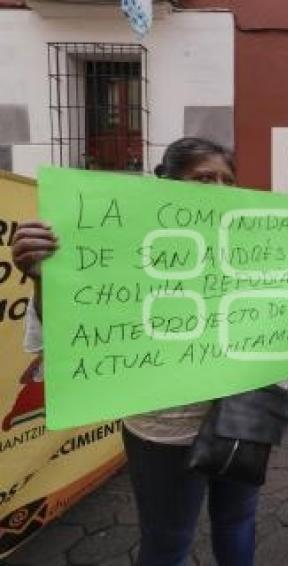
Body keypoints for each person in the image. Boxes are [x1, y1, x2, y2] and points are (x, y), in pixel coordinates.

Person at [12, 137, 262, 566]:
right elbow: (64, 336)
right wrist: (41, 278)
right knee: (168, 541)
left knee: (238, 520)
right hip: (167, 426)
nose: (219, 190)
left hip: (249, 408)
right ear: (165, 182)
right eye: (203, 178)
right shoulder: (117, 244)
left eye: (227, 180)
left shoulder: (258, 245)